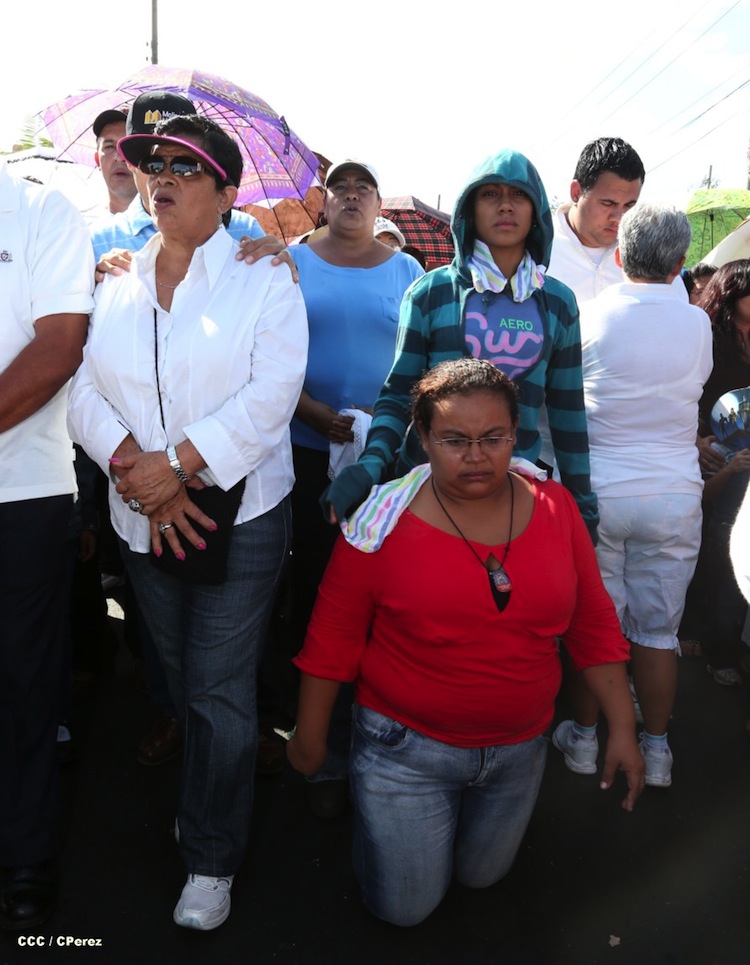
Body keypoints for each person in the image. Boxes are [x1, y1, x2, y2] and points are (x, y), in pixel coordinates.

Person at [288, 358, 643, 927]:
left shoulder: (557, 509)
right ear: (423, 438)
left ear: (516, 436)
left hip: (520, 749)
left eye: (493, 438)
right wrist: (310, 740)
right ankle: (375, 822)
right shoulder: (379, 521)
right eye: (455, 439)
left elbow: (594, 621)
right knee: (403, 910)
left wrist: (623, 726)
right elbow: (333, 639)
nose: (476, 456)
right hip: (405, 749)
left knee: (483, 877)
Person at [67, 114, 307, 930]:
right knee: (175, 673)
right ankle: (212, 790)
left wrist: (181, 466)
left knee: (215, 687)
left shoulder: (264, 275)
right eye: (152, 163)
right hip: (140, 514)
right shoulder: (112, 279)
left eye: (185, 166)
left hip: (242, 521)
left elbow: (273, 394)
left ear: (229, 194)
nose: (160, 175)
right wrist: (136, 466)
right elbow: (81, 391)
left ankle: (211, 853)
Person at [324, 149, 598, 539]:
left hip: (515, 499)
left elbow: (568, 412)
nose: (505, 205)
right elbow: (399, 394)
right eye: (490, 194)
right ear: (469, 208)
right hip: (426, 491)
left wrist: (582, 504)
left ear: (536, 210)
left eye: (518, 195)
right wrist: (370, 466)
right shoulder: (430, 293)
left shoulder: (557, 302)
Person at [553, 204, 712, 789]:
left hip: (602, 495)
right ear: (679, 263)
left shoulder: (589, 315)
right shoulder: (697, 324)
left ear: (620, 256)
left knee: (598, 627)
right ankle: (658, 749)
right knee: (658, 630)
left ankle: (585, 741)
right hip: (674, 495)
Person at [289, 158, 423, 817]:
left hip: (387, 458)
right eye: (339, 186)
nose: (349, 195)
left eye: (361, 187)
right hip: (305, 449)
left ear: (377, 204)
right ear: (323, 199)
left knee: (379, 588)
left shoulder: (407, 272)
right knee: (316, 580)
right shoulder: (288, 261)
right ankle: (316, 724)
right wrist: (312, 412)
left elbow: (424, 357)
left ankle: (376, 721)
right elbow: (268, 350)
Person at [0, 160, 94, 929]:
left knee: (23, 680)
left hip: (21, 492)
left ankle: (26, 848)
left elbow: (60, 346)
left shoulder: (40, 210)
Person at [548, 137, 645, 303]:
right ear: (576, 192)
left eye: (629, 206)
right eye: (608, 203)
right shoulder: (538, 251)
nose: (619, 218)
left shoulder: (646, 257)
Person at [92, 108, 137, 215]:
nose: (119, 157)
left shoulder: (170, 228)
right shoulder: (82, 226)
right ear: (97, 160)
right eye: (110, 147)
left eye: (128, 147)